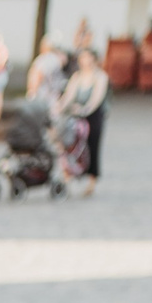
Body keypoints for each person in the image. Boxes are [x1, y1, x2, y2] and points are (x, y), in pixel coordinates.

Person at [59, 42, 110, 196]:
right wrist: (58, 108)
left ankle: (92, 181)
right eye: (82, 58)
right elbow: (68, 96)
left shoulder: (100, 76)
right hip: (76, 115)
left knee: (92, 146)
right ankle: (68, 176)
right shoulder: (77, 76)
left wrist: (84, 109)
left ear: (93, 59)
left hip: (94, 116)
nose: (84, 61)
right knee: (69, 143)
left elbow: (96, 99)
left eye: (87, 57)